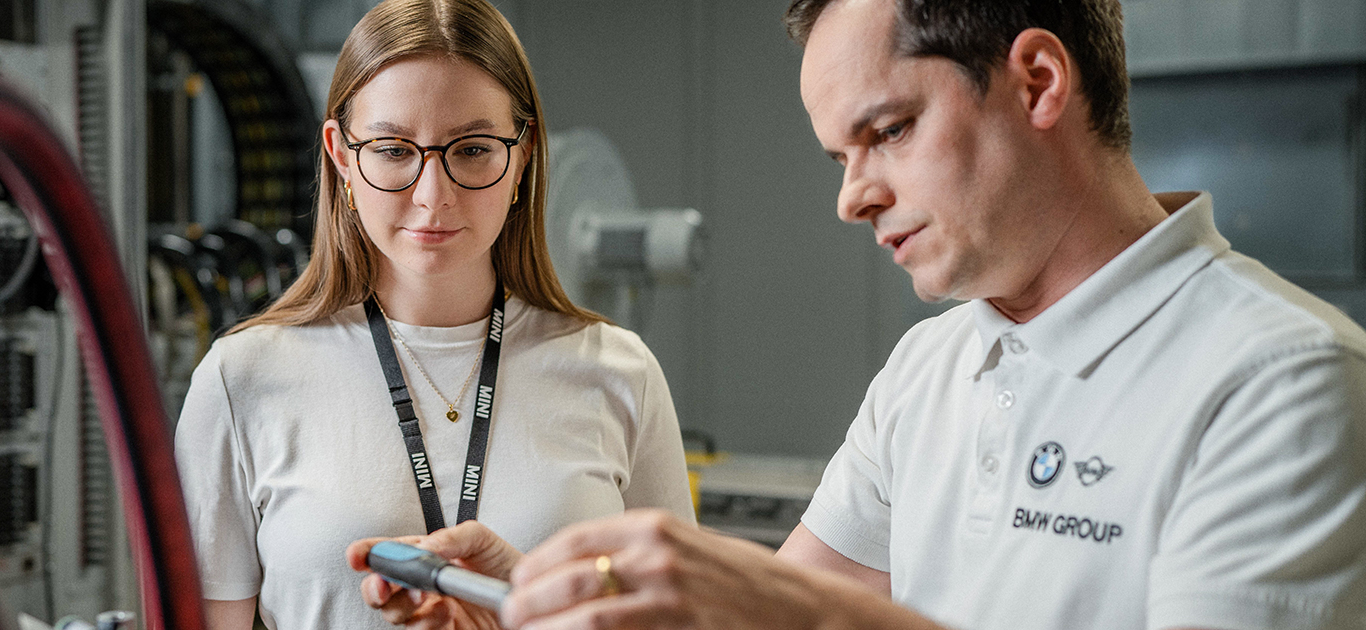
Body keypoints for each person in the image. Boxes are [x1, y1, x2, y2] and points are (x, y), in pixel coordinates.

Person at [345, 0, 1366, 628]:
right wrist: (554, 601)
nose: (853, 196)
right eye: (841, 156)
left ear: (1039, 81)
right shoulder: (930, 370)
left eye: (888, 132)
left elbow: (796, 617)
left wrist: (806, 620)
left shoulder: (1280, 381)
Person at [172, 0, 696, 628]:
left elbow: (678, 618)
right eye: (394, 150)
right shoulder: (242, 381)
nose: (432, 196)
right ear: (342, 155)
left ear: (522, 155)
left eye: (473, 149)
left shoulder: (618, 371)